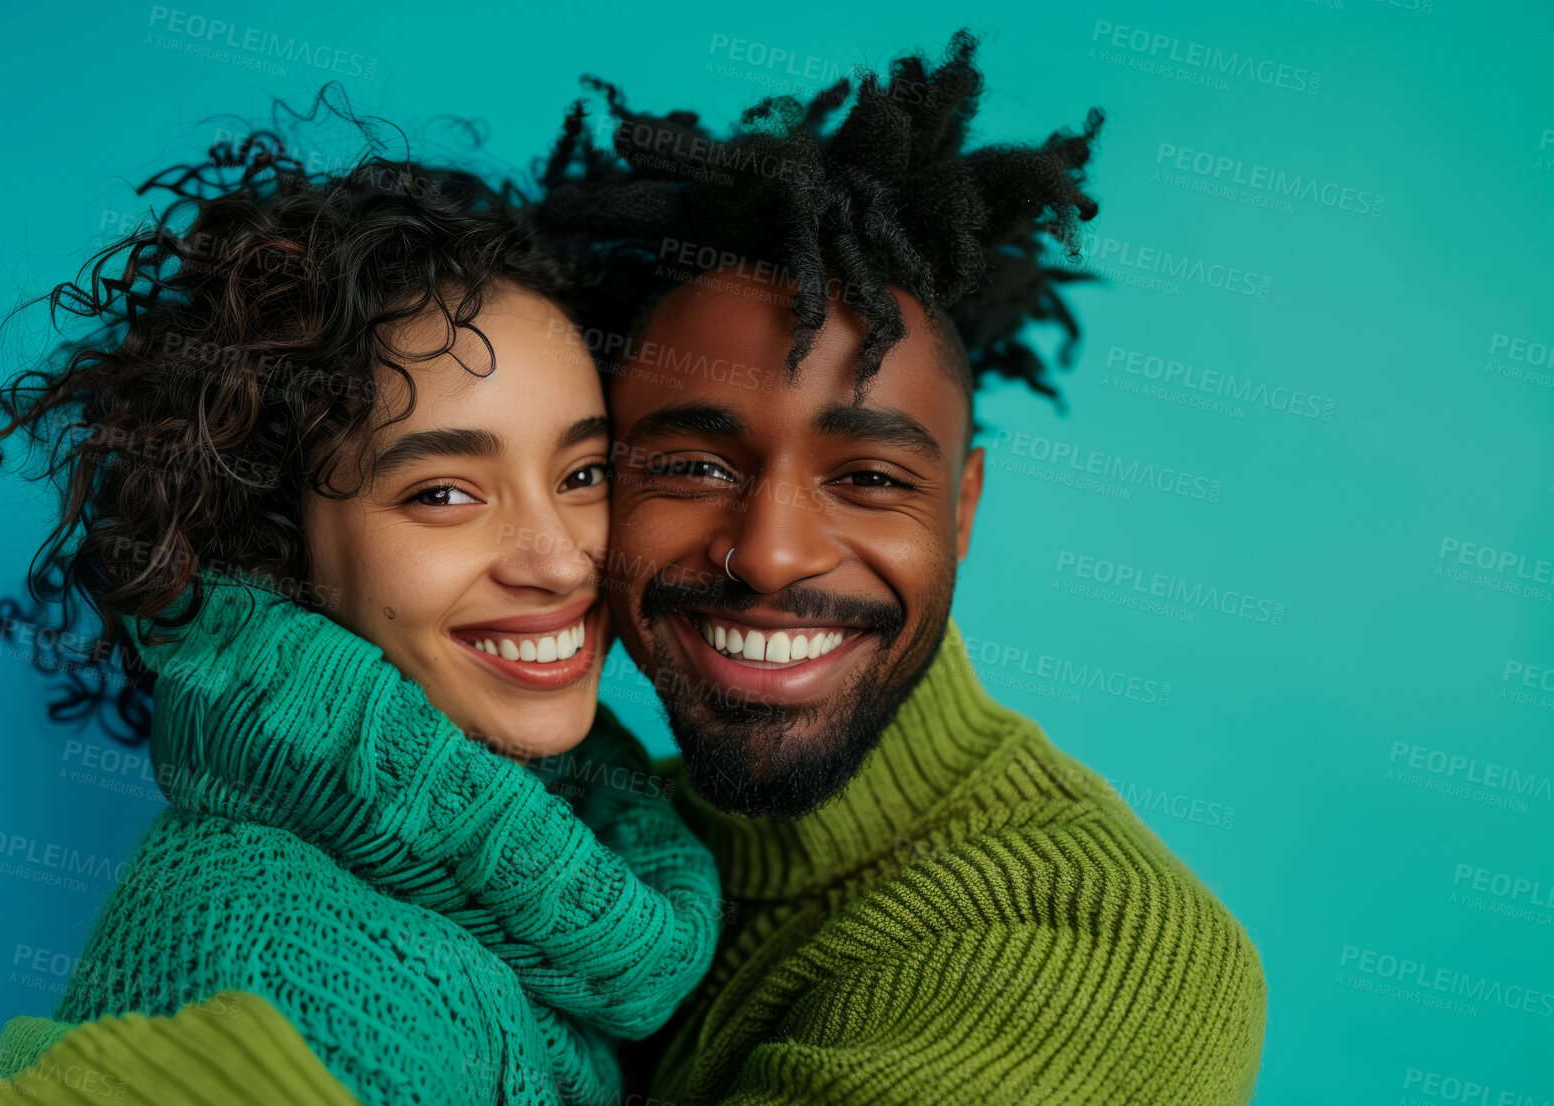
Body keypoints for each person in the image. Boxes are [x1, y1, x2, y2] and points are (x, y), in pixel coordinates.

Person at [0, 125, 720, 1106]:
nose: (559, 558)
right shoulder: (285, 963)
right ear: (280, 547)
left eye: (582, 472)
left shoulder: (600, 821)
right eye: (444, 492)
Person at [533, 31, 1268, 1105]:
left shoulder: (1107, 946)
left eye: (870, 476)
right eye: (691, 464)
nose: (771, 552)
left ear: (960, 506)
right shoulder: (576, 838)